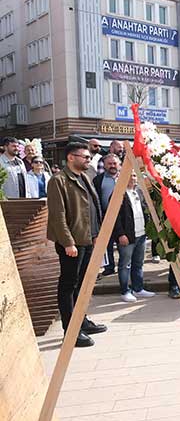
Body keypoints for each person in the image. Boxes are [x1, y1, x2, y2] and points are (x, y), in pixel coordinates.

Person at [47, 142, 107, 347]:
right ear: (71, 157)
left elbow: (94, 206)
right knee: (68, 285)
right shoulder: (59, 180)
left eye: (89, 158)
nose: (88, 160)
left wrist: (97, 233)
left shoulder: (85, 177)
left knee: (83, 284)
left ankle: (82, 321)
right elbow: (58, 215)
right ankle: (70, 332)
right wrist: (68, 242)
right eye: (85, 157)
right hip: (72, 243)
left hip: (88, 239)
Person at [113, 173, 155, 303]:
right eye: (130, 175)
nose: (132, 178)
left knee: (138, 263)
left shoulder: (139, 192)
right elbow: (115, 217)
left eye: (135, 175)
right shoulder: (118, 194)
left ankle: (138, 288)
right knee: (125, 265)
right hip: (127, 236)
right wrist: (120, 234)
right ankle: (125, 291)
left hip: (141, 234)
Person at [93, 154, 121, 276]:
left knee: (123, 243)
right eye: (109, 164)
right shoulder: (98, 180)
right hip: (105, 215)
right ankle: (109, 267)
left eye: (115, 163)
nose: (112, 166)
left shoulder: (127, 177)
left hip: (123, 217)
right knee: (107, 243)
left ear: (119, 165)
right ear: (104, 165)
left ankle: (124, 267)